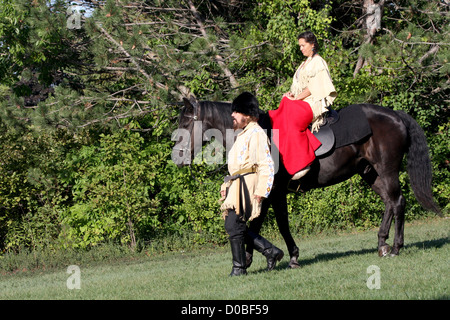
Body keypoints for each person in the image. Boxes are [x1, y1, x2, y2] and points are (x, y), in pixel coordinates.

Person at [219, 92, 283, 276]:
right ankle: (271, 252)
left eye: (236, 112)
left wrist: (263, 189)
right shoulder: (241, 135)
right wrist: (227, 188)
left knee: (234, 225)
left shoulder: (256, 133)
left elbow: (266, 163)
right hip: (238, 185)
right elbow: (236, 168)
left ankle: (239, 268)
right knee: (233, 225)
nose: (232, 115)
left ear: (246, 115)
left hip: (249, 185)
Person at [269, 31, 337, 180]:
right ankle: (281, 157)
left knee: (291, 117)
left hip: (312, 103)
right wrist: (291, 95)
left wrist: (296, 99)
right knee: (281, 110)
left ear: (312, 44)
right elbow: (299, 87)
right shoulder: (304, 63)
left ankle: (302, 162)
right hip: (302, 101)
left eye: (303, 45)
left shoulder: (318, 62)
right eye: (299, 46)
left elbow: (314, 87)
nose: (300, 49)